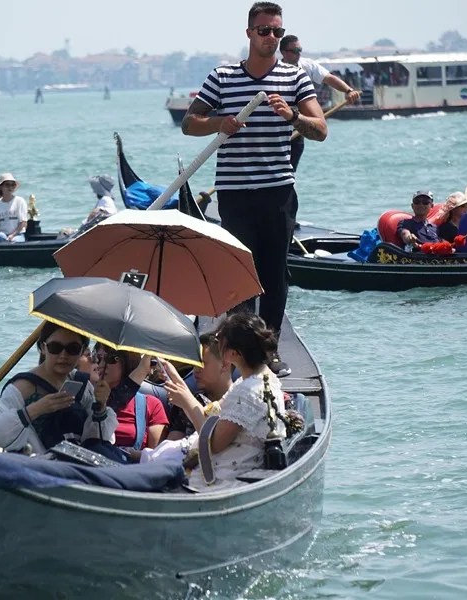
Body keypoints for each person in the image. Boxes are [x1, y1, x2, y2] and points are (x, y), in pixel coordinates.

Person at [181, 2, 327, 378]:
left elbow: (321, 129)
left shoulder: (295, 79)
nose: (272, 38)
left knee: (274, 274)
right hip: (235, 193)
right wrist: (219, 123)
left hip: (277, 191)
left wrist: (292, 115)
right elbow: (189, 123)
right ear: (249, 34)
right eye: (265, 31)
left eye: (278, 32)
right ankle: (242, 351)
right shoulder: (223, 77)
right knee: (241, 275)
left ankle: (270, 351)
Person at [162, 313, 286, 490]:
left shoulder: (247, 392)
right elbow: (215, 412)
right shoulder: (261, 378)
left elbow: (212, 444)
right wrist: (179, 384)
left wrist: (187, 403)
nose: (216, 341)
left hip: (224, 479)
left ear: (234, 354)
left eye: (220, 339)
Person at [0, 321, 117, 454]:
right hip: (36, 468)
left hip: (77, 465)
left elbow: (102, 438)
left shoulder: (82, 384)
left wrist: (101, 406)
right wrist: (36, 409)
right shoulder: (21, 388)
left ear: (82, 351)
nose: (63, 356)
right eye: (55, 347)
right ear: (43, 348)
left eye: (72, 349)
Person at [278, 35, 360, 171]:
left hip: (298, 126)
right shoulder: (276, 69)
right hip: (279, 129)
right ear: (284, 52)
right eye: (294, 51)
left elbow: (328, 78)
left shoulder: (306, 65)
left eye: (300, 50)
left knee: (289, 172)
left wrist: (348, 90)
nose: (298, 54)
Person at [92, 344, 169, 461]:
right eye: (98, 358)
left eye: (110, 358)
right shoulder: (88, 396)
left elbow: (155, 458)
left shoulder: (151, 404)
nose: (101, 365)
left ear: (127, 361)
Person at [166, 333, 233, 441]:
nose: (196, 370)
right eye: (195, 363)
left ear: (225, 364)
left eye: (202, 363)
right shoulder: (188, 401)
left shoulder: (241, 401)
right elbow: (170, 448)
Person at [0, 173, 28, 243]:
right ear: (1, 187)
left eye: (12, 185)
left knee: (14, 241)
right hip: (2, 234)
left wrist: (13, 235)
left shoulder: (20, 201)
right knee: (0, 237)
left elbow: (23, 223)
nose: (10, 187)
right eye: (7, 184)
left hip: (18, 235)